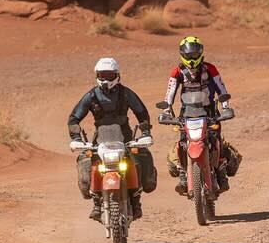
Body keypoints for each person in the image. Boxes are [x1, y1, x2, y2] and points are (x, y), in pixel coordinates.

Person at [67, 57, 156, 221]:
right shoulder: (91, 96)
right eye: (102, 75)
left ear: (117, 75)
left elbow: (142, 113)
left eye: (109, 75)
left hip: (125, 137)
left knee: (135, 162)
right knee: (93, 164)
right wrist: (76, 137)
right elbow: (74, 118)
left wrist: (145, 133)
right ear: (97, 75)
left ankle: (136, 202)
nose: (106, 79)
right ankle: (96, 203)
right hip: (101, 138)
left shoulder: (126, 93)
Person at [160, 35, 241, 194]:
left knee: (216, 139)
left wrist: (225, 107)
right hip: (187, 113)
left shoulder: (210, 69)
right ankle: (183, 174)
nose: (191, 59)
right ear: (182, 55)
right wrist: (166, 110)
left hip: (209, 112)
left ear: (201, 54)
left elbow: (221, 89)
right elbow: (170, 93)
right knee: (183, 143)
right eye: (188, 56)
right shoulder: (177, 71)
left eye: (195, 55)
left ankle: (221, 171)